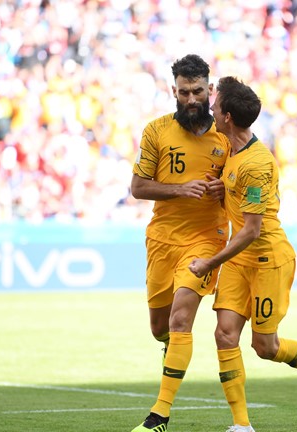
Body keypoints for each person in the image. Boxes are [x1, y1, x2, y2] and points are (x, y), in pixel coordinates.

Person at [189, 76, 297, 432]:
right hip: (239, 260)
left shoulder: (257, 163)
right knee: (224, 334)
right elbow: (236, 192)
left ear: (228, 117)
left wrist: (208, 264)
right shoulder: (231, 147)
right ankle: (241, 425)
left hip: (267, 260)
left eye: (215, 107)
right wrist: (222, 188)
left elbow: (252, 229)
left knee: (266, 346)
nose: (211, 111)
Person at [130, 54, 231, 432]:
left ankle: (159, 416)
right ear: (174, 91)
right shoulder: (155, 131)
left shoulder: (227, 135)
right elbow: (138, 187)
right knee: (161, 328)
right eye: (184, 92)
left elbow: (245, 184)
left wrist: (226, 188)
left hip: (206, 239)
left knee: (181, 319)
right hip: (162, 239)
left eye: (198, 91)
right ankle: (170, 350)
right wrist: (179, 189)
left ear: (210, 90)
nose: (191, 99)